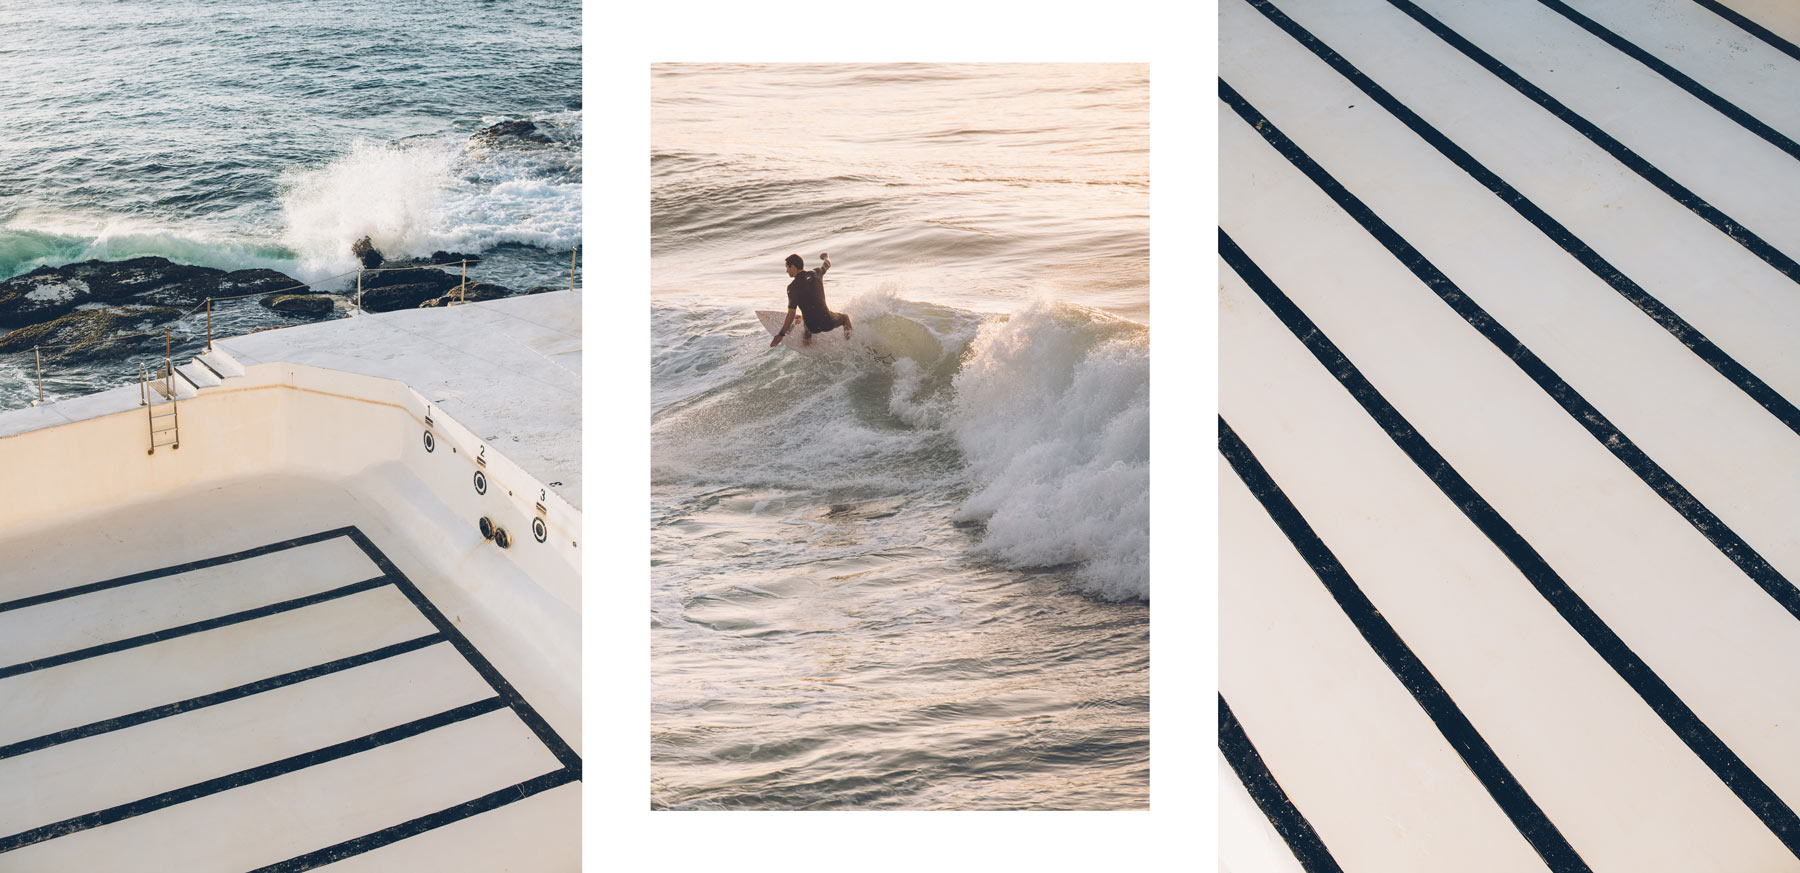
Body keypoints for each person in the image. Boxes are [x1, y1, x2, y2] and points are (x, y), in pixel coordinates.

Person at [771, 252, 852, 347]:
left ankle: (806, 344)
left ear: (793, 267)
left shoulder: (792, 288)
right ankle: (850, 342)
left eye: (787, 267)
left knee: (807, 322)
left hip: (813, 326)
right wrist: (826, 256)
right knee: (845, 318)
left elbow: (791, 314)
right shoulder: (816, 273)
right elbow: (827, 264)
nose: (786, 271)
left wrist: (781, 334)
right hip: (828, 321)